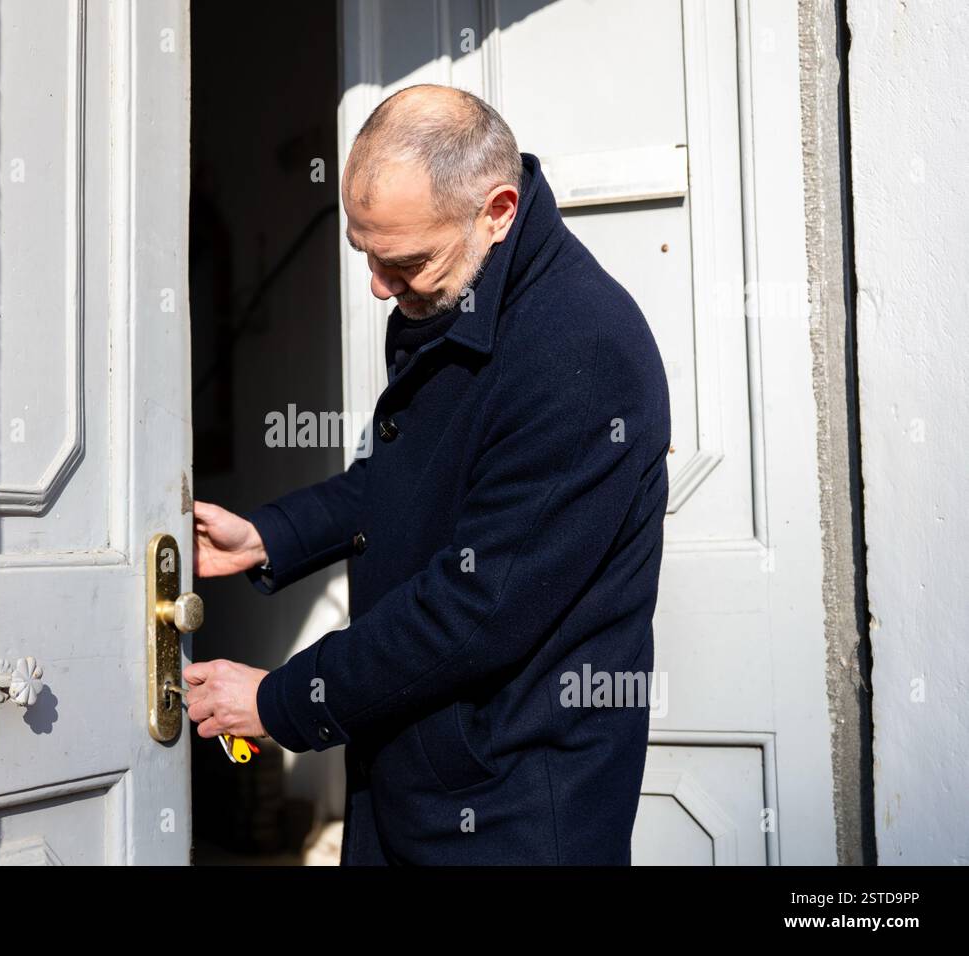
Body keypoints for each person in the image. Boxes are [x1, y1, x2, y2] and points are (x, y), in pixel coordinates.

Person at [185, 83, 671, 865]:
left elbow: (473, 609)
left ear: (499, 210)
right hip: (409, 778)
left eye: (403, 259)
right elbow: (405, 477)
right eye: (365, 253)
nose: (379, 285)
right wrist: (270, 537)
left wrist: (279, 701)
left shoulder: (581, 353)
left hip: (508, 809)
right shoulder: (456, 295)